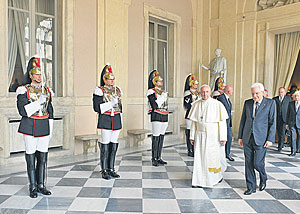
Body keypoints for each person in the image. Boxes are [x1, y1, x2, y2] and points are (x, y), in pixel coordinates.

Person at [16, 56, 53, 198]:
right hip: (30, 126)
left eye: (40, 73)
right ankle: (32, 186)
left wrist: (50, 127)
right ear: (30, 75)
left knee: (43, 157)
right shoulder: (23, 90)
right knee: (31, 157)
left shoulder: (47, 90)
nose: (39, 76)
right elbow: (23, 111)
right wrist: (38, 103)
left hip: (43, 125)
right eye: (36, 74)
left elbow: (50, 110)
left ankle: (41, 185)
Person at [238, 83, 276, 195]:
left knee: (258, 163)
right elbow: (243, 120)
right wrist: (240, 136)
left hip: (261, 138)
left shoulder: (270, 103)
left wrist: (270, 139)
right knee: (248, 163)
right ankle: (251, 187)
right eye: (253, 94)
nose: (255, 96)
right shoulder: (247, 103)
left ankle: (263, 177)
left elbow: (272, 122)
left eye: (257, 93)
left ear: (263, 92)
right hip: (247, 137)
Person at [189, 85, 228, 187]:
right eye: (202, 92)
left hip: (213, 135)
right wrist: (192, 136)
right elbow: (194, 123)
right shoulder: (196, 104)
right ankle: (199, 180)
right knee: (199, 158)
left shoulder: (217, 104)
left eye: (207, 92)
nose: (205, 94)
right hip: (200, 135)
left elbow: (222, 122)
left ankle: (214, 179)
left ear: (210, 92)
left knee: (212, 157)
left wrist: (223, 137)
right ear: (200, 93)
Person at [93, 64, 122, 180]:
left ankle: (111, 168)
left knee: (113, 144)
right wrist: (110, 104)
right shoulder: (99, 90)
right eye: (109, 79)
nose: (112, 81)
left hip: (116, 118)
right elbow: (97, 107)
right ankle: (104, 169)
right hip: (105, 119)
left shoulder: (117, 90)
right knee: (105, 144)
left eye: (113, 78)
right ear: (104, 79)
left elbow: (120, 107)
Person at [147, 70, 169, 167]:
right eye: (159, 81)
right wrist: (162, 97)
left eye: (161, 81)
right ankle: (154, 158)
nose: (161, 83)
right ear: (155, 82)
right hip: (156, 115)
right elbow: (155, 105)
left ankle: (159, 156)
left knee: (161, 136)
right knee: (155, 137)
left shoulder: (163, 92)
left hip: (164, 114)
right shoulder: (151, 91)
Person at [183, 74, 200, 157]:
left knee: (196, 132)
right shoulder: (187, 93)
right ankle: (190, 149)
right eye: (195, 84)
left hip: (196, 115)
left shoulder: (197, 93)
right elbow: (187, 104)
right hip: (190, 114)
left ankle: (195, 148)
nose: (197, 85)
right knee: (189, 132)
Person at [217, 85, 235, 161]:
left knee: (229, 137)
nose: (232, 92)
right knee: (225, 138)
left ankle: (227, 153)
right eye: (232, 90)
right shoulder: (221, 98)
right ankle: (224, 154)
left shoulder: (227, 99)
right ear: (228, 91)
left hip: (227, 122)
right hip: (223, 122)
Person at [273, 87, 292, 151]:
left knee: (283, 133)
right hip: (277, 118)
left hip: (285, 119)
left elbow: (290, 109)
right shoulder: (275, 99)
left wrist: (289, 120)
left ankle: (280, 146)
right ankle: (280, 144)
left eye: (282, 92)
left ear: (284, 92)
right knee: (279, 132)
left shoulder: (288, 99)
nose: (280, 93)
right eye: (279, 92)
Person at [286, 90, 300, 156]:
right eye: (295, 96)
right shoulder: (291, 103)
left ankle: (298, 149)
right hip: (292, 123)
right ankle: (293, 151)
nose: (296, 97)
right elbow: (288, 114)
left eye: (298, 96)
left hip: (299, 123)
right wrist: (287, 123)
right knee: (293, 137)